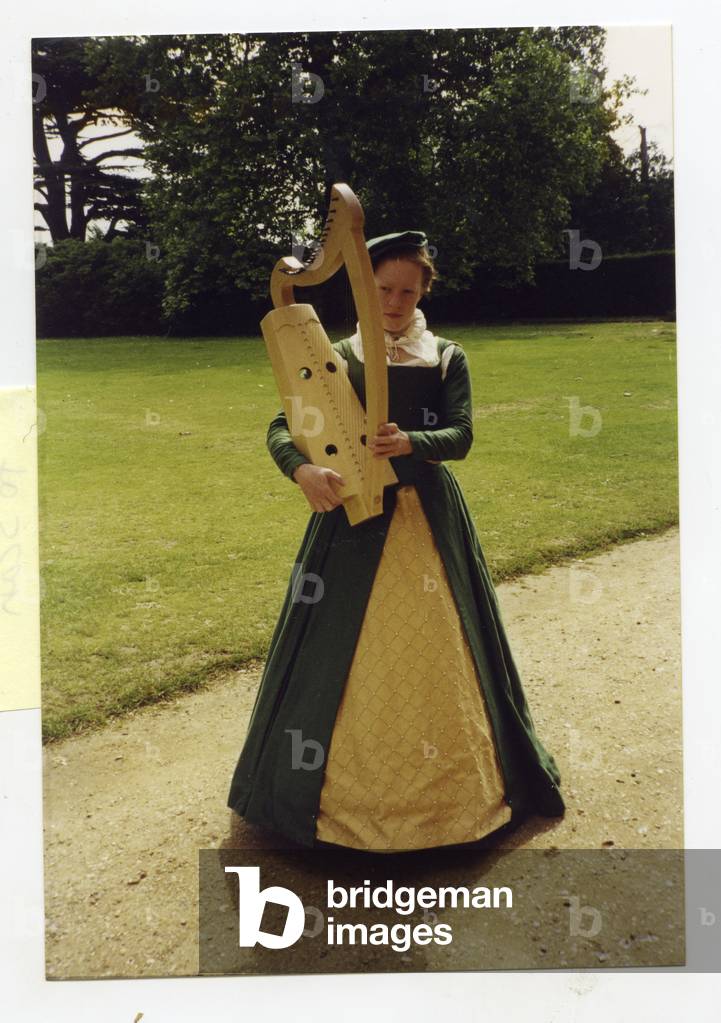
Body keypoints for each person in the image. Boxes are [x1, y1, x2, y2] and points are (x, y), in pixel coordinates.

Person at [227, 230, 565, 852]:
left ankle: (459, 800)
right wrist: (302, 471)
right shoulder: (337, 358)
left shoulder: (444, 356)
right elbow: (284, 425)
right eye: (383, 288)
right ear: (363, 287)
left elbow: (461, 435)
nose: (395, 300)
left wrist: (412, 442)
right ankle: (319, 800)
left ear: (422, 293)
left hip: (427, 519)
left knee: (439, 647)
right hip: (351, 521)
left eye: (408, 291)